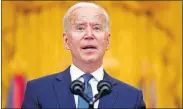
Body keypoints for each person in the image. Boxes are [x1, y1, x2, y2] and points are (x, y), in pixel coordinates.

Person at [21, 2, 146, 109]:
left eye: (97, 28)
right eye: (80, 28)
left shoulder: (131, 98)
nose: (89, 35)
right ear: (66, 41)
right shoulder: (38, 91)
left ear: (107, 41)